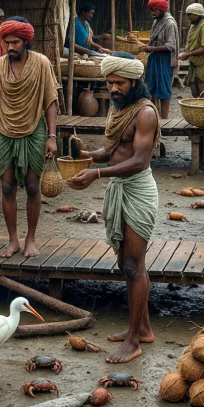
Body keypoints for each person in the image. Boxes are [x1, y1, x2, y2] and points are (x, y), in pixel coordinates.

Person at [65, 54, 158, 364]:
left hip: (139, 191)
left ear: (134, 82)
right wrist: (87, 156)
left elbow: (138, 161)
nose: (114, 88)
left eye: (119, 83)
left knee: (134, 266)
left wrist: (98, 174)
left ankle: (133, 341)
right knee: (125, 264)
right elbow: (111, 151)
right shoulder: (118, 110)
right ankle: (142, 328)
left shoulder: (145, 113)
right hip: (119, 189)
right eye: (110, 83)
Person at [0, 17, 59, 258]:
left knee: (31, 186)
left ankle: (30, 239)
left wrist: (51, 136)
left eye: (15, 42)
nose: (10, 47)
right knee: (7, 186)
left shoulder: (41, 63)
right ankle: (13, 240)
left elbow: (50, 101)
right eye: (6, 42)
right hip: (5, 131)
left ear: (26, 40)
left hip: (34, 129)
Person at [140, 0, 178, 120]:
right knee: (151, 88)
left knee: (164, 90)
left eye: (153, 10)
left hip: (165, 59)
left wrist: (152, 48)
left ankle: (164, 119)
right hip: (154, 58)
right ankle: (154, 117)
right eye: (151, 10)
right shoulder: (156, 22)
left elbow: (171, 45)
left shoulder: (169, 23)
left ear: (161, 9)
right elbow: (153, 40)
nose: (152, 13)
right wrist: (148, 47)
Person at [179, 2, 204, 98]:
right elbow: (191, 43)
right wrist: (186, 53)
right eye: (188, 15)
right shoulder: (193, 26)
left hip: (203, 63)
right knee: (194, 90)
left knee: (202, 90)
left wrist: (188, 55)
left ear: (197, 15)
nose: (189, 17)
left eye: (190, 15)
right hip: (194, 62)